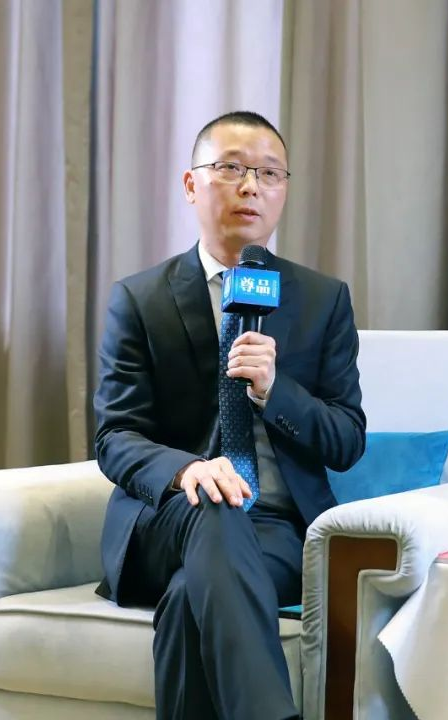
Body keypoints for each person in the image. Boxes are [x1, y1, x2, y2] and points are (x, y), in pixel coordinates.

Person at [93, 110, 366, 720]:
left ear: (284, 191)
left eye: (269, 174)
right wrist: (187, 470)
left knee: (190, 601)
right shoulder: (140, 298)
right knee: (214, 502)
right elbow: (114, 435)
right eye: (232, 169)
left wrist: (275, 390)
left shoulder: (323, 300)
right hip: (167, 516)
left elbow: (347, 439)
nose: (251, 187)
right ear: (192, 185)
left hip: (274, 528)